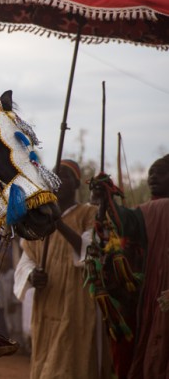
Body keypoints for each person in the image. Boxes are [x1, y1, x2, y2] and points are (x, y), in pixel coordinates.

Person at [14, 159, 109, 379]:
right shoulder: (39, 217)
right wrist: (32, 274)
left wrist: (59, 223)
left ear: (77, 184)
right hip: (48, 300)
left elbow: (91, 250)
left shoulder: (89, 213)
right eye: (54, 176)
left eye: (64, 175)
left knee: (72, 359)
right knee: (46, 359)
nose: (58, 181)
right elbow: (27, 256)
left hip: (78, 300)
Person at [80, 154, 169, 378]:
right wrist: (104, 197)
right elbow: (123, 222)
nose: (152, 177)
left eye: (160, 173)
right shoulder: (149, 212)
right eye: (150, 173)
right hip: (148, 299)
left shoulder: (157, 210)